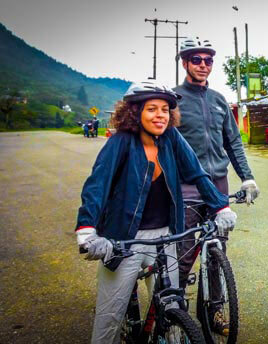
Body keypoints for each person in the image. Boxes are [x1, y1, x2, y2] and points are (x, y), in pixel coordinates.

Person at [75, 81, 235, 344]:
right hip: (124, 240)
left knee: (172, 309)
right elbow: (97, 185)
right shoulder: (120, 142)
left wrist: (221, 206)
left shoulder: (172, 137)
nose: (160, 115)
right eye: (152, 109)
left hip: (165, 237)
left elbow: (197, 173)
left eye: (164, 109)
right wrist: (87, 230)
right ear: (135, 112)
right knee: (109, 319)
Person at [173, 36, 259, 334]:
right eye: (196, 60)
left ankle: (214, 312)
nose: (203, 65)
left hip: (219, 183)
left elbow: (233, 142)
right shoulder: (173, 99)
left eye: (208, 60)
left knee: (216, 250)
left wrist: (247, 176)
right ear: (185, 63)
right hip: (186, 186)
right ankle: (176, 313)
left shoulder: (220, 99)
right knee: (184, 252)